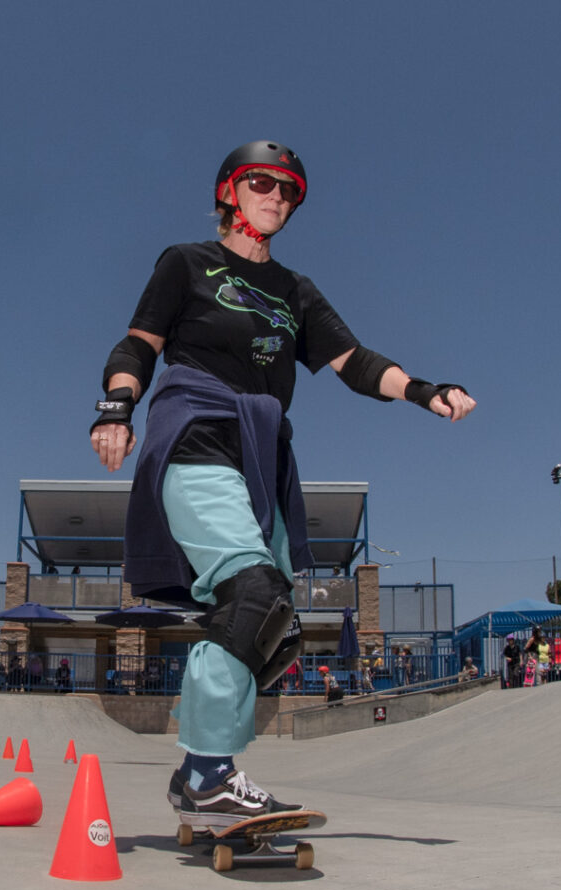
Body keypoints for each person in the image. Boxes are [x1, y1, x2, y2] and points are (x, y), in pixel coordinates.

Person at [90, 139, 476, 825]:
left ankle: (195, 778)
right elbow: (138, 344)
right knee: (254, 595)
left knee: (276, 627)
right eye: (262, 183)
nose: (276, 197)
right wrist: (116, 407)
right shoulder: (186, 264)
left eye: (289, 191)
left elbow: (353, 362)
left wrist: (422, 390)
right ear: (229, 192)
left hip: (260, 461)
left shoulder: (293, 291)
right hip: (197, 432)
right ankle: (209, 772)